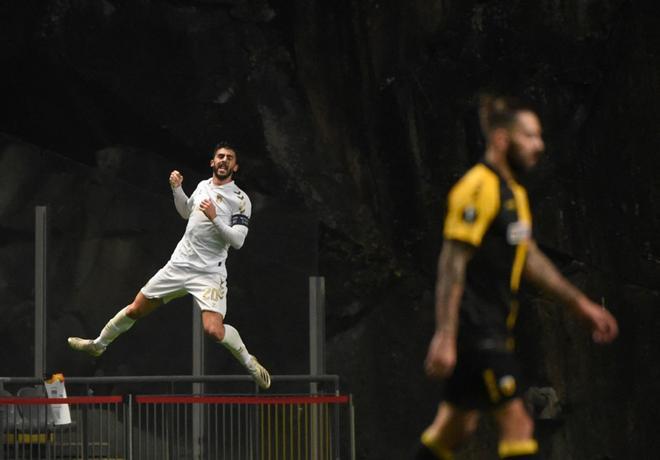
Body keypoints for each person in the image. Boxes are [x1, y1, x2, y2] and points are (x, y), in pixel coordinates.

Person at [414, 96, 618, 459]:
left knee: (454, 428)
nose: (539, 146)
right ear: (501, 140)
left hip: (492, 326)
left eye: (540, 136)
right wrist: (445, 335)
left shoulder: (515, 196)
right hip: (474, 328)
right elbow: (451, 262)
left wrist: (581, 305)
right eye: (529, 136)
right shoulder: (477, 188)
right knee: (519, 422)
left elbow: (531, 260)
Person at [68, 142, 271, 389]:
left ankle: (250, 362)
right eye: (220, 156)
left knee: (213, 331)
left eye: (229, 158)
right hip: (179, 265)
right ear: (212, 162)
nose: (224, 160)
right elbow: (186, 212)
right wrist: (177, 190)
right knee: (135, 310)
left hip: (209, 273)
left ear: (235, 166)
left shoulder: (240, 199)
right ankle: (98, 345)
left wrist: (215, 218)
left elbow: (238, 241)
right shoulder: (202, 186)